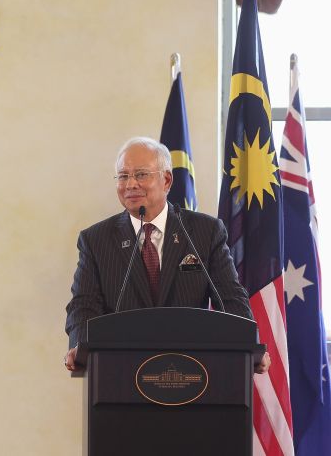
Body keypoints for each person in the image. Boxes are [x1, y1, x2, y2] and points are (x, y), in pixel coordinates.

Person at [63, 137, 270, 373]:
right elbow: (83, 305)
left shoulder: (205, 232)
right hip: (120, 374)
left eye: (140, 174)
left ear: (167, 180)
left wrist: (250, 346)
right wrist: (79, 346)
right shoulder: (96, 240)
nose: (130, 184)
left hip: (194, 372)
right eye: (123, 176)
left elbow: (231, 299)